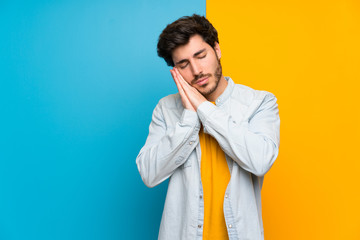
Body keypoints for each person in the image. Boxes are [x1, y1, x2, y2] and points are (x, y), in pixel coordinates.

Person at [136, 14, 280, 240]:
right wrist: (189, 119)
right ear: (175, 71)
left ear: (217, 50)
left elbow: (260, 160)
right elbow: (149, 173)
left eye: (201, 56)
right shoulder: (165, 109)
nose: (196, 71)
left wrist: (204, 109)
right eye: (183, 64)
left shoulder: (259, 102)